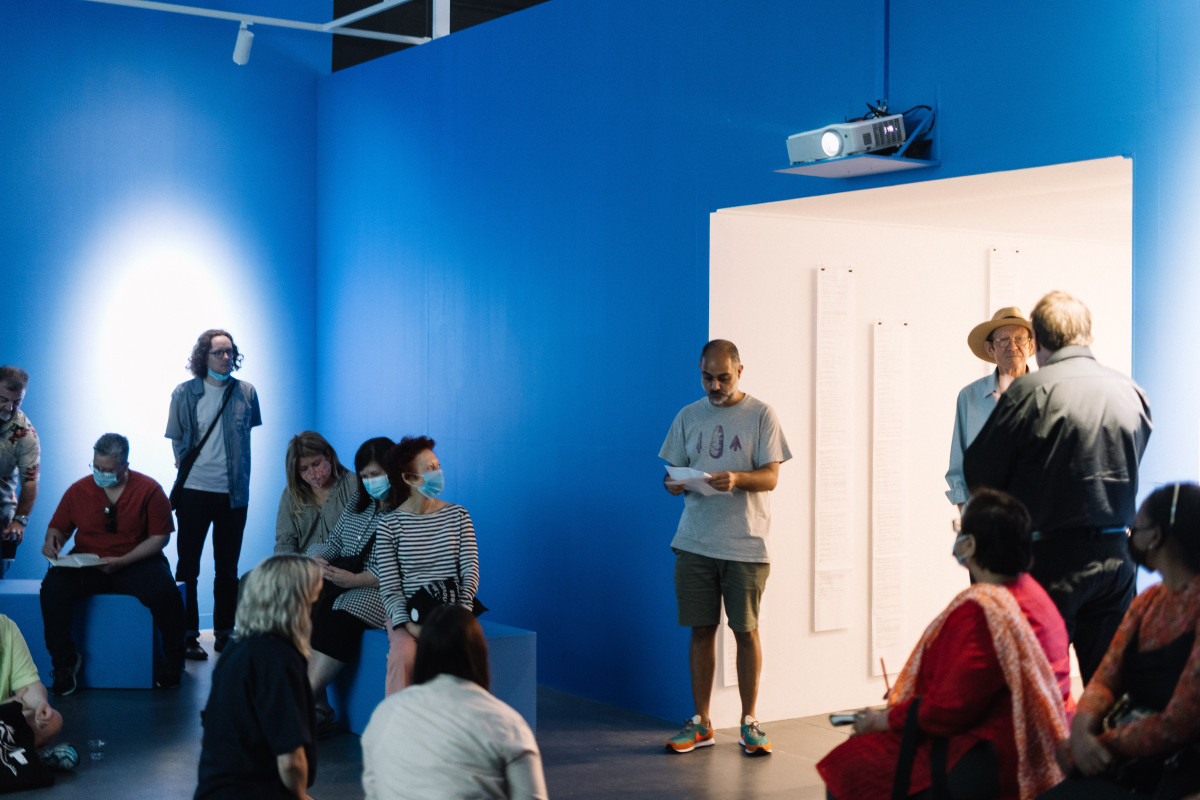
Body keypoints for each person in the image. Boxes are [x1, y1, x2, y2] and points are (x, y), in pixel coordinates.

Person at [818, 488, 1069, 800]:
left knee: (848, 767)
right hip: (1035, 743)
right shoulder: (1034, 594)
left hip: (989, 752)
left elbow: (949, 709)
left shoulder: (984, 611)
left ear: (971, 544)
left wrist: (883, 720)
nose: (957, 538)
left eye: (960, 530)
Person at [964, 290, 1153, 684]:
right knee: (1111, 687)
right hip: (1118, 556)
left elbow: (980, 473)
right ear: (1088, 335)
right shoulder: (1130, 391)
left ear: (1039, 341)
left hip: (1048, 559)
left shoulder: (1029, 392)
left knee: (1040, 686)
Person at [659, 339, 791, 755]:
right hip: (694, 541)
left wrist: (737, 478)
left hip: (746, 544)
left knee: (745, 631)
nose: (714, 386)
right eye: (707, 377)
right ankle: (701, 723)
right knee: (701, 630)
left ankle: (749, 722)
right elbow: (669, 475)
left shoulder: (762, 415)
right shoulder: (687, 416)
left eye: (723, 377)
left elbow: (771, 477)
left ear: (739, 371)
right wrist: (673, 483)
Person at [1043, 483, 1200, 800]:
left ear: (1155, 537)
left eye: (1136, 528)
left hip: (1173, 771)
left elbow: (1178, 723)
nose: (1130, 536)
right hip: (1125, 759)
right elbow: (1105, 677)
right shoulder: (1148, 601)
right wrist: (1082, 733)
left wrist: (1092, 746)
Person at [39, 433, 185, 693]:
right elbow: (58, 528)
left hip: (137, 560)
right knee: (52, 588)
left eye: (107, 470)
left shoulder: (149, 490)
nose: (100, 474)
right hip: (89, 563)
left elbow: (160, 538)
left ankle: (173, 660)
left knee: (166, 594)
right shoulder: (78, 490)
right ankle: (64, 663)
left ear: (124, 466)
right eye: (96, 467)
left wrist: (123, 561)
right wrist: (52, 542)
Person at [361, 605, 547, 800]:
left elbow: (373, 791)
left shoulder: (384, 714)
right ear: (479, 655)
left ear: (422, 653)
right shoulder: (508, 725)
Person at [166, 328, 262, 661]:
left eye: (230, 351)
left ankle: (224, 632)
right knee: (187, 566)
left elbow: (245, 435)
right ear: (203, 356)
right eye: (219, 352)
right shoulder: (184, 393)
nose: (226, 357)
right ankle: (187, 635)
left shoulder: (246, 392)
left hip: (233, 494)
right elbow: (176, 437)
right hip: (194, 491)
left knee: (227, 568)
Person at [195, 554, 321, 800]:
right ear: (296, 602)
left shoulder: (237, 646)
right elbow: (291, 760)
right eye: (313, 598)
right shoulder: (279, 659)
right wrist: (300, 796)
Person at [304, 437, 395, 732]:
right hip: (343, 582)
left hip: (383, 591)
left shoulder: (405, 512)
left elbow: (400, 568)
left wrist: (356, 580)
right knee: (304, 607)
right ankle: (317, 707)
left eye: (376, 474)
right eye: (365, 476)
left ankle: (301, 702)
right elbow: (334, 543)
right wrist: (316, 558)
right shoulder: (357, 505)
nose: (370, 482)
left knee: (337, 616)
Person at [376, 436, 479, 696]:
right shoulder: (389, 526)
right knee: (403, 657)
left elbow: (470, 573)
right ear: (409, 478)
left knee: (458, 657)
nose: (438, 473)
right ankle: (398, 720)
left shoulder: (458, 515)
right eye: (430, 468)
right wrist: (411, 626)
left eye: (438, 466)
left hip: (450, 611)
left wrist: (459, 616)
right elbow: (390, 587)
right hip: (407, 615)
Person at [945, 307, 1035, 508]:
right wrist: (966, 513)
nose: (1012, 346)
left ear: (1030, 345)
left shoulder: (1046, 394)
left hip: (1034, 514)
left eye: (1019, 339)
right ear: (990, 349)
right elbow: (958, 466)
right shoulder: (969, 397)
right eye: (1003, 340)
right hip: (985, 514)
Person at [275, 431, 357, 555]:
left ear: (328, 455)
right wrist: (305, 562)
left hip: (346, 564)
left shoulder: (352, 484)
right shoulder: (290, 495)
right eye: (304, 469)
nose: (313, 474)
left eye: (316, 464)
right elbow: (284, 545)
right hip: (303, 565)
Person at [0, 614, 62, 749]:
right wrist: (8, 706)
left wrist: (40, 704)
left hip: (2, 721)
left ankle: (8, 752)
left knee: (53, 721)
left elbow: (28, 684)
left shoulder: (7, 626)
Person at [0, 366, 39, 575]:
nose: (9, 408)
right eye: (3, 399)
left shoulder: (25, 434)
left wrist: (20, 519)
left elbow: (30, 481)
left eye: (17, 402)